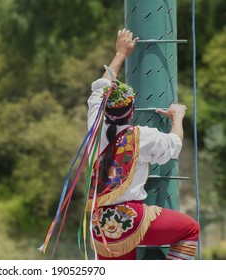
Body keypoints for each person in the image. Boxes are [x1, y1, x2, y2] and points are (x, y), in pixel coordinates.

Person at [86, 28, 200, 260]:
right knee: (190, 229)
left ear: (104, 111)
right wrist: (177, 116)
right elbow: (174, 145)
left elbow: (100, 89)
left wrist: (120, 54)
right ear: (132, 111)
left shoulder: (95, 128)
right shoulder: (142, 136)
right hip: (130, 221)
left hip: (99, 229)